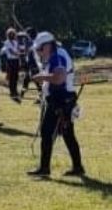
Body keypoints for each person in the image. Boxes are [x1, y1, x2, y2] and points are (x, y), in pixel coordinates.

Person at [28, 31, 84, 177]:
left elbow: (59, 78)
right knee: (66, 134)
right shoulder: (56, 55)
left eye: (40, 49)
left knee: (49, 132)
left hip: (62, 100)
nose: (39, 52)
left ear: (47, 46)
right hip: (60, 99)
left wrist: (42, 77)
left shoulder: (57, 57)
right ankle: (76, 167)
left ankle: (45, 168)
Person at [1, 28, 22, 102]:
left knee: (16, 77)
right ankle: (12, 92)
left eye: (13, 34)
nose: (12, 35)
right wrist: (19, 54)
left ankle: (15, 91)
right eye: (11, 34)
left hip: (16, 61)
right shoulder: (7, 42)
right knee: (11, 77)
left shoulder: (16, 42)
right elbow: (11, 51)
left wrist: (20, 52)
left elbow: (18, 49)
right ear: (8, 35)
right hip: (10, 61)